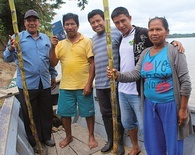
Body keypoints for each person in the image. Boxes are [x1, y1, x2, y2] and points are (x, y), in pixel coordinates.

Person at [107, 16, 193, 155]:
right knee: (153, 143)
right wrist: (118, 75)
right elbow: (136, 74)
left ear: (167, 31)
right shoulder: (145, 53)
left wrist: (183, 109)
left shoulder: (174, 51)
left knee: (173, 145)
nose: (154, 32)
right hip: (149, 105)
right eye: (151, 29)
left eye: (158, 29)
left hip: (170, 105)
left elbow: (186, 83)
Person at [3, 9, 57, 153]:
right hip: (27, 85)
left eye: (34, 20)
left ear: (38, 22)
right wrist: (11, 48)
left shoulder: (46, 38)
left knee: (46, 111)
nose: (32, 23)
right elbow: (6, 58)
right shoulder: (17, 38)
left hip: (44, 82)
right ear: (25, 23)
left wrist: (53, 75)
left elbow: (49, 61)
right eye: (29, 20)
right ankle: (34, 141)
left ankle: (46, 137)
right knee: (30, 114)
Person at [50, 13, 98, 149]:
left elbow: (92, 63)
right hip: (65, 86)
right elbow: (53, 63)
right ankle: (68, 136)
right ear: (63, 26)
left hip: (84, 85)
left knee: (88, 113)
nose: (70, 27)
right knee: (64, 113)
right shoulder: (60, 43)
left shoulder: (86, 41)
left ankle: (91, 136)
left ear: (77, 25)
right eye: (67, 24)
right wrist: (53, 47)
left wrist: (89, 84)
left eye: (72, 24)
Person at [87, 9, 125, 154]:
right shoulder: (93, 39)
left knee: (118, 114)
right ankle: (110, 140)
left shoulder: (116, 33)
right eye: (92, 23)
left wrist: (172, 42)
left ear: (104, 20)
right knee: (105, 114)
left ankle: (119, 142)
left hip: (115, 83)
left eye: (98, 21)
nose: (96, 24)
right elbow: (94, 62)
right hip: (101, 84)